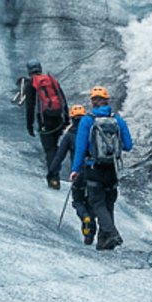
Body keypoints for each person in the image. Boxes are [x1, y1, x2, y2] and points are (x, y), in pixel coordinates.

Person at [71, 86, 133, 251]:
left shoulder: (87, 120)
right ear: (107, 100)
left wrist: (75, 169)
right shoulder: (117, 119)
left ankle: (111, 233)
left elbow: (80, 147)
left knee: (97, 203)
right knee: (108, 203)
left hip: (93, 168)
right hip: (111, 168)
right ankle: (104, 242)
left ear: (92, 102)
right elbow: (128, 145)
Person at [14, 61, 68, 187]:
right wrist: (66, 119)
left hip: (44, 120)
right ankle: (56, 173)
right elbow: (63, 99)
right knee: (54, 147)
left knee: (50, 150)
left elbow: (30, 107)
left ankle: (54, 179)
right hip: (58, 118)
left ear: (29, 71)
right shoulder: (51, 79)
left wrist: (29, 125)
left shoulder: (31, 84)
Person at [49, 104, 95, 243]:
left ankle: (85, 218)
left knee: (78, 201)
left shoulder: (69, 136)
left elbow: (59, 155)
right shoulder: (93, 131)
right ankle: (90, 232)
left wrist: (52, 171)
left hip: (78, 173)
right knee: (92, 201)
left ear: (72, 118)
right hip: (95, 172)